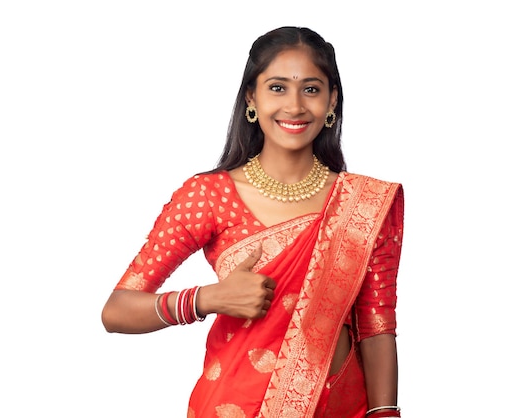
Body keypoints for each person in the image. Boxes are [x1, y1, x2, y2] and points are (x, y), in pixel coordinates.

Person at [101, 26, 404, 418]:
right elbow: (117, 309)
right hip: (233, 405)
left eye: (311, 89)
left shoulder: (364, 203)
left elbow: (376, 324)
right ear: (251, 97)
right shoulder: (208, 195)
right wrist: (207, 298)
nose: (294, 106)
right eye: (277, 87)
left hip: (338, 407)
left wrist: (386, 413)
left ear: (332, 101)